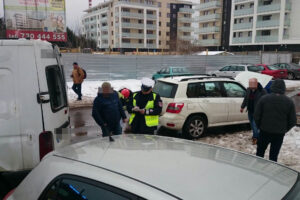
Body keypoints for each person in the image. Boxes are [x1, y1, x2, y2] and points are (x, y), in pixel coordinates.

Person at [254, 79, 296, 162]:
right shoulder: (289, 102)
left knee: (260, 152)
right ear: (283, 88)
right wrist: (284, 129)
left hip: (264, 131)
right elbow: (293, 121)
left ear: (273, 87)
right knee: (273, 155)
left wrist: (260, 126)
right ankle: (271, 173)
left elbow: (256, 116)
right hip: (279, 134)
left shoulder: (264, 99)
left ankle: (257, 169)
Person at [240, 78, 266, 145]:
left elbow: (266, 101)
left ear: (256, 84)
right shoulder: (248, 90)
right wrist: (242, 107)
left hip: (257, 112)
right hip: (250, 111)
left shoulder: (262, 91)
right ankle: (257, 135)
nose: (251, 87)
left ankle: (256, 138)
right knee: (252, 125)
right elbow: (246, 99)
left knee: (255, 125)